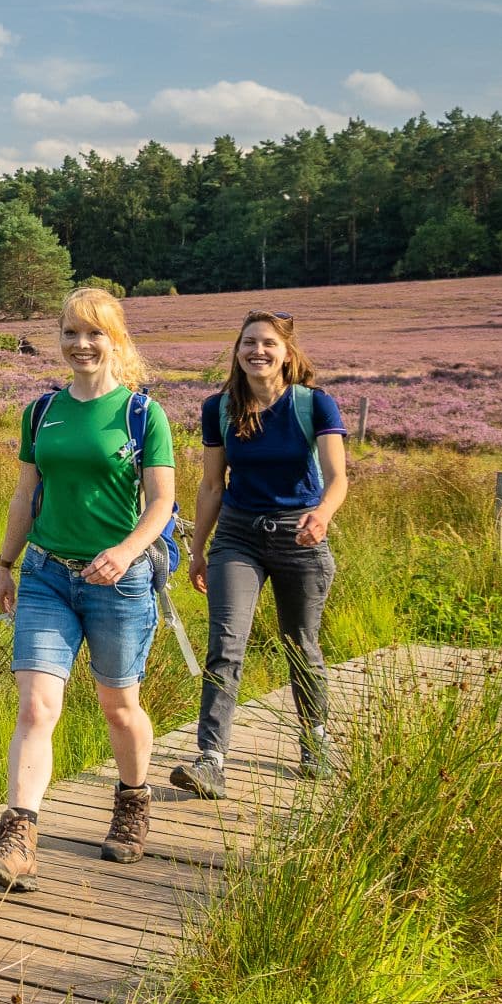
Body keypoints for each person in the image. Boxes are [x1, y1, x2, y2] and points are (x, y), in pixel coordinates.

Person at [0, 288, 178, 891]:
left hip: (118, 582)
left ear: (116, 339)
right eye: (70, 333)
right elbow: (24, 493)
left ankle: (133, 800)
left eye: (94, 333)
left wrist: (123, 552)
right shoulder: (41, 412)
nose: (81, 345)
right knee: (36, 705)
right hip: (46, 575)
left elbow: (162, 501)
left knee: (119, 706)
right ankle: (18, 835)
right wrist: (5, 562)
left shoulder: (143, 414)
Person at [175, 309, 348, 793]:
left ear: (287, 352)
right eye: (248, 342)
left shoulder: (315, 405)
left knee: (301, 645)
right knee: (225, 645)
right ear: (236, 352)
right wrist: (199, 550)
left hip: (300, 534)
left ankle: (314, 741)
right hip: (238, 535)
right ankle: (211, 759)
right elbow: (212, 485)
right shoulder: (220, 408)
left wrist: (322, 515)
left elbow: (337, 480)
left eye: (268, 343)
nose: (257, 351)